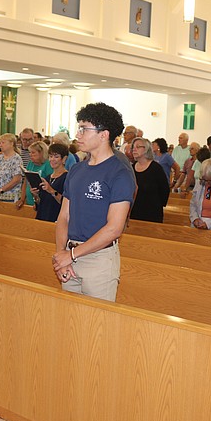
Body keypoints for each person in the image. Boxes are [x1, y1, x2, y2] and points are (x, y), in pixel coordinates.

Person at [52, 102, 135, 302]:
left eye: (84, 128)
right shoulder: (77, 170)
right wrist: (62, 254)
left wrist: (71, 255)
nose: (78, 134)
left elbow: (114, 228)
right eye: (78, 128)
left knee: (97, 327)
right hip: (70, 255)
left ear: (103, 134)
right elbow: (64, 216)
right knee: (69, 321)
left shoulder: (120, 173)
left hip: (99, 260)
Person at [129, 138, 170, 223]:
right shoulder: (131, 168)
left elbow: (165, 190)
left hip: (152, 212)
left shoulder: (156, 168)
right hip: (134, 212)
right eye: (133, 147)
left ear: (146, 149)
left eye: (138, 147)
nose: (134, 149)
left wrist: (158, 204)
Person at [33, 143, 68, 222]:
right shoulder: (47, 178)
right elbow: (41, 203)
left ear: (64, 159)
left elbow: (65, 203)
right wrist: (36, 196)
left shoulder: (68, 178)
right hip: (42, 217)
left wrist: (51, 191)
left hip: (56, 219)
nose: (52, 159)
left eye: (56, 157)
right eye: (50, 156)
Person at [0, 133, 23, 202]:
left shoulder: (16, 159)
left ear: (11, 144)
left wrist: (0, 190)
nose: (0, 145)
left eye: (3, 143)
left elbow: (16, 179)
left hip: (8, 198)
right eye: (0, 143)